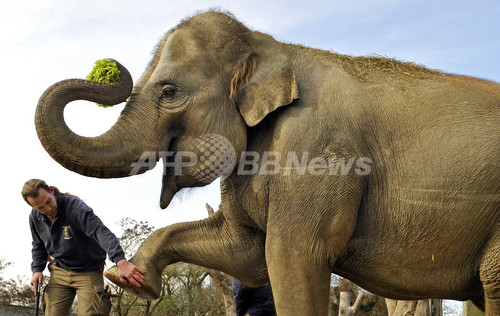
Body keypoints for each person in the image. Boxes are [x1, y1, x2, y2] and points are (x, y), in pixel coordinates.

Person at [22, 179, 146, 315]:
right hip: (60, 270)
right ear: (32, 206)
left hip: (89, 271)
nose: (48, 209)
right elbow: (38, 246)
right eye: (40, 208)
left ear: (51, 191)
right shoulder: (34, 217)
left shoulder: (74, 207)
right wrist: (37, 270)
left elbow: (100, 231)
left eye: (48, 202)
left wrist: (121, 261)